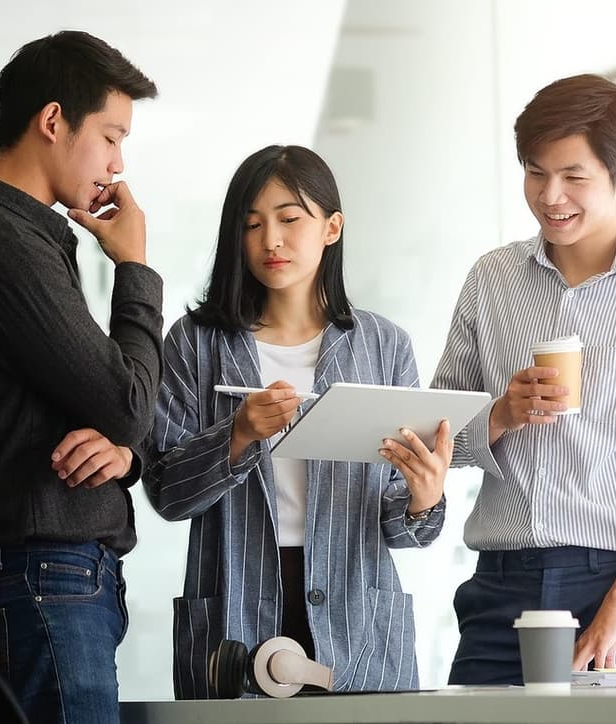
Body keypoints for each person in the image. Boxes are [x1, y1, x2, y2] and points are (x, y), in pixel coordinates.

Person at [431, 73, 616, 684]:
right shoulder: (490, 281)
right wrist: (500, 414)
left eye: (574, 177)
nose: (550, 196)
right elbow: (437, 435)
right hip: (500, 590)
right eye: (535, 172)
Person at [142, 144, 452, 698]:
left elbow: (407, 530)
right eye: (253, 224)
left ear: (331, 228)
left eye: (290, 219)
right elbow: (167, 492)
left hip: (356, 616)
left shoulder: (383, 347)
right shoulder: (195, 343)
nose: (271, 241)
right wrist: (237, 435)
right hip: (235, 606)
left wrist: (424, 499)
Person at [0, 30, 161, 724]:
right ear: (54, 121)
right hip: (39, 586)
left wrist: (123, 452)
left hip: (40, 585)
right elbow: (128, 399)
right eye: (112, 136)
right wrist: (136, 268)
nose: (118, 164)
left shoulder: (15, 240)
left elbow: (111, 413)